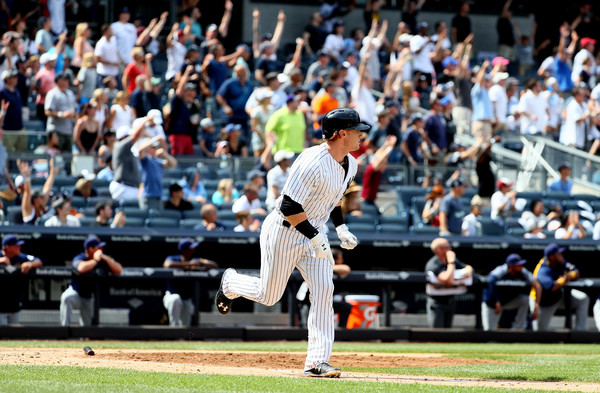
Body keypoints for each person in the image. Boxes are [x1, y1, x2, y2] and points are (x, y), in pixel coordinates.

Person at [216, 108, 369, 378]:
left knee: (323, 291)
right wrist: (314, 234)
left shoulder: (351, 163)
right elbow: (288, 205)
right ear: (342, 133)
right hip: (284, 231)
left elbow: (333, 199)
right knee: (269, 295)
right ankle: (230, 283)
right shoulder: (311, 161)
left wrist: (341, 227)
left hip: (314, 233)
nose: (361, 135)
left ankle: (316, 362)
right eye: (357, 130)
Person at [60, 236, 123, 326]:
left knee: (87, 327)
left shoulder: (104, 258)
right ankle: (64, 329)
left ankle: (85, 338)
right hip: (76, 292)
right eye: (98, 247)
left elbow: (119, 270)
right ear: (90, 249)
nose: (101, 249)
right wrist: (96, 260)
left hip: (89, 297)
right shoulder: (80, 257)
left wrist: (107, 259)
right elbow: (81, 268)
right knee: (66, 297)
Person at [530, 243, 589, 331]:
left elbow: (576, 271)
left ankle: (580, 331)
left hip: (558, 296)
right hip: (542, 301)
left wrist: (569, 275)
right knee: (539, 332)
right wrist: (563, 279)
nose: (561, 255)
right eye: (558, 254)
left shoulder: (560, 261)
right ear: (552, 257)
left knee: (583, 299)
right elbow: (552, 287)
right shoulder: (542, 270)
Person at [163, 238, 218, 326]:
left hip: (186, 299)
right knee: (175, 299)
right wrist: (189, 265)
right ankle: (173, 332)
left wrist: (200, 264)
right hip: (171, 295)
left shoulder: (196, 259)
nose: (193, 250)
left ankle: (182, 338)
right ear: (184, 250)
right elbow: (167, 264)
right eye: (190, 248)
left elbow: (214, 265)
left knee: (186, 323)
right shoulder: (174, 258)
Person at [482, 253, 542, 331]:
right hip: (492, 303)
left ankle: (517, 329)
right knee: (489, 331)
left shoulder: (523, 271)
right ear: (511, 266)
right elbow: (490, 281)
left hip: (508, 301)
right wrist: (497, 302)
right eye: (519, 264)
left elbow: (537, 285)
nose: (521, 266)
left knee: (524, 300)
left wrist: (536, 306)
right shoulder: (501, 270)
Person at [425, 237, 474, 328]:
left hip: (450, 301)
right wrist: (451, 263)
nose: (450, 249)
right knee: (437, 334)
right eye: (447, 247)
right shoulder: (433, 264)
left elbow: (469, 268)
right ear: (439, 250)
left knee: (448, 333)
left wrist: (463, 273)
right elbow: (449, 280)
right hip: (437, 303)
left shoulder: (452, 260)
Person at [0, 234, 43, 325]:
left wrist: (30, 264)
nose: (20, 247)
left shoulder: (21, 257)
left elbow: (38, 261)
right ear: (8, 247)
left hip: (14, 306)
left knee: (13, 337)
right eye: (17, 245)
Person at [109, 119, 147, 202]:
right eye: (128, 136)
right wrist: (146, 121)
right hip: (123, 188)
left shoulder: (129, 150)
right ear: (123, 137)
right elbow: (135, 136)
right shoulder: (120, 146)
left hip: (130, 188)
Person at [138, 137, 178, 210]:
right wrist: (155, 139)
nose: (155, 149)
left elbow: (173, 163)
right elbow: (140, 149)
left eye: (156, 147)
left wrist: (165, 154)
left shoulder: (158, 161)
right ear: (148, 148)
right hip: (147, 196)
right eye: (153, 147)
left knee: (156, 220)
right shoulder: (145, 160)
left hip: (158, 196)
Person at [44, 72, 77, 152]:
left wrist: (74, 115)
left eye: (67, 80)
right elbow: (47, 111)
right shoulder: (52, 93)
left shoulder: (70, 93)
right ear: (58, 80)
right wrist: (61, 114)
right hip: (56, 130)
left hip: (68, 130)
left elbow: (75, 110)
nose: (66, 82)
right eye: (64, 80)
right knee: (56, 157)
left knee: (68, 158)